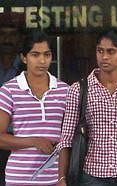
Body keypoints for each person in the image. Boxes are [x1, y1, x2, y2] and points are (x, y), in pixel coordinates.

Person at [57, 28, 117, 186]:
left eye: (111, 51)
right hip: (91, 176)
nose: (104, 57)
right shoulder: (79, 89)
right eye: (100, 51)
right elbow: (67, 139)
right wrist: (62, 178)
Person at [0, 29, 69, 185]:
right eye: (35, 55)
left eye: (47, 54)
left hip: (54, 179)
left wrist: (62, 178)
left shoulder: (65, 90)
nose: (42, 61)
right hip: (19, 178)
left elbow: (68, 139)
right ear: (24, 58)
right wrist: (34, 141)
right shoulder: (9, 90)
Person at [0, 20, 25, 186]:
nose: (7, 39)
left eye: (12, 34)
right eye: (3, 34)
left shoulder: (30, 65)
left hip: (22, 141)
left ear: (20, 38)